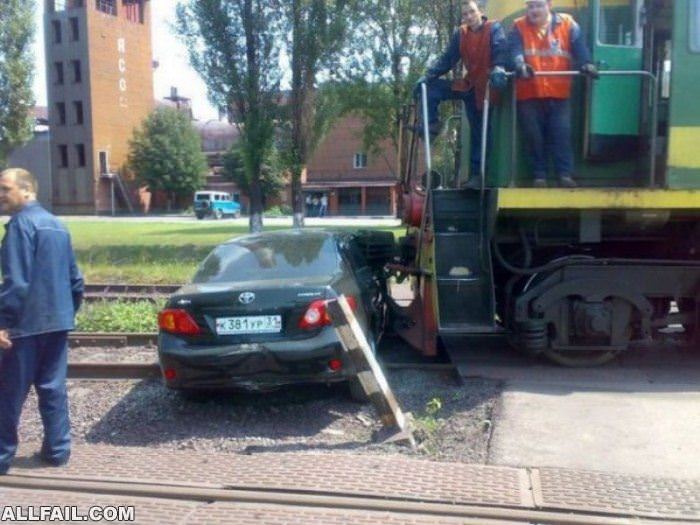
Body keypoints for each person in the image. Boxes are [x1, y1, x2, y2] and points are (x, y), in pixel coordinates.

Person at [0, 168, 84, 475]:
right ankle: (58, 451)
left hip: (24, 326)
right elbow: (76, 280)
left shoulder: (21, 225)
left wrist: (2, 322)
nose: (0, 195)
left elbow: (17, 283)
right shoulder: (57, 225)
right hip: (57, 323)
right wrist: (66, 313)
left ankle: (2, 457)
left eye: (5, 188)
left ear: (26, 190)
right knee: (52, 388)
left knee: (8, 392)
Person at [508, 0, 599, 188]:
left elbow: (579, 47)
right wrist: (519, 64)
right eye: (531, 6)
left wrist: (587, 63)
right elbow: (514, 50)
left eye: (538, 5)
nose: (534, 10)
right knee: (533, 136)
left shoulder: (568, 23)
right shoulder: (518, 26)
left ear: (549, 5)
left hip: (559, 92)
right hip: (529, 92)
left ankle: (564, 174)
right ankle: (539, 176)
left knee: (561, 134)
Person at [415, 0, 508, 179]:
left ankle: (477, 175)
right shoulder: (461, 34)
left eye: (471, 12)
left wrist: (499, 67)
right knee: (431, 87)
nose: (469, 17)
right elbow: (448, 58)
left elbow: (500, 50)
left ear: (480, 11)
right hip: (469, 86)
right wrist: (428, 75)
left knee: (480, 131)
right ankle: (432, 124)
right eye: (465, 14)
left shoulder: (494, 29)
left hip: (488, 90)